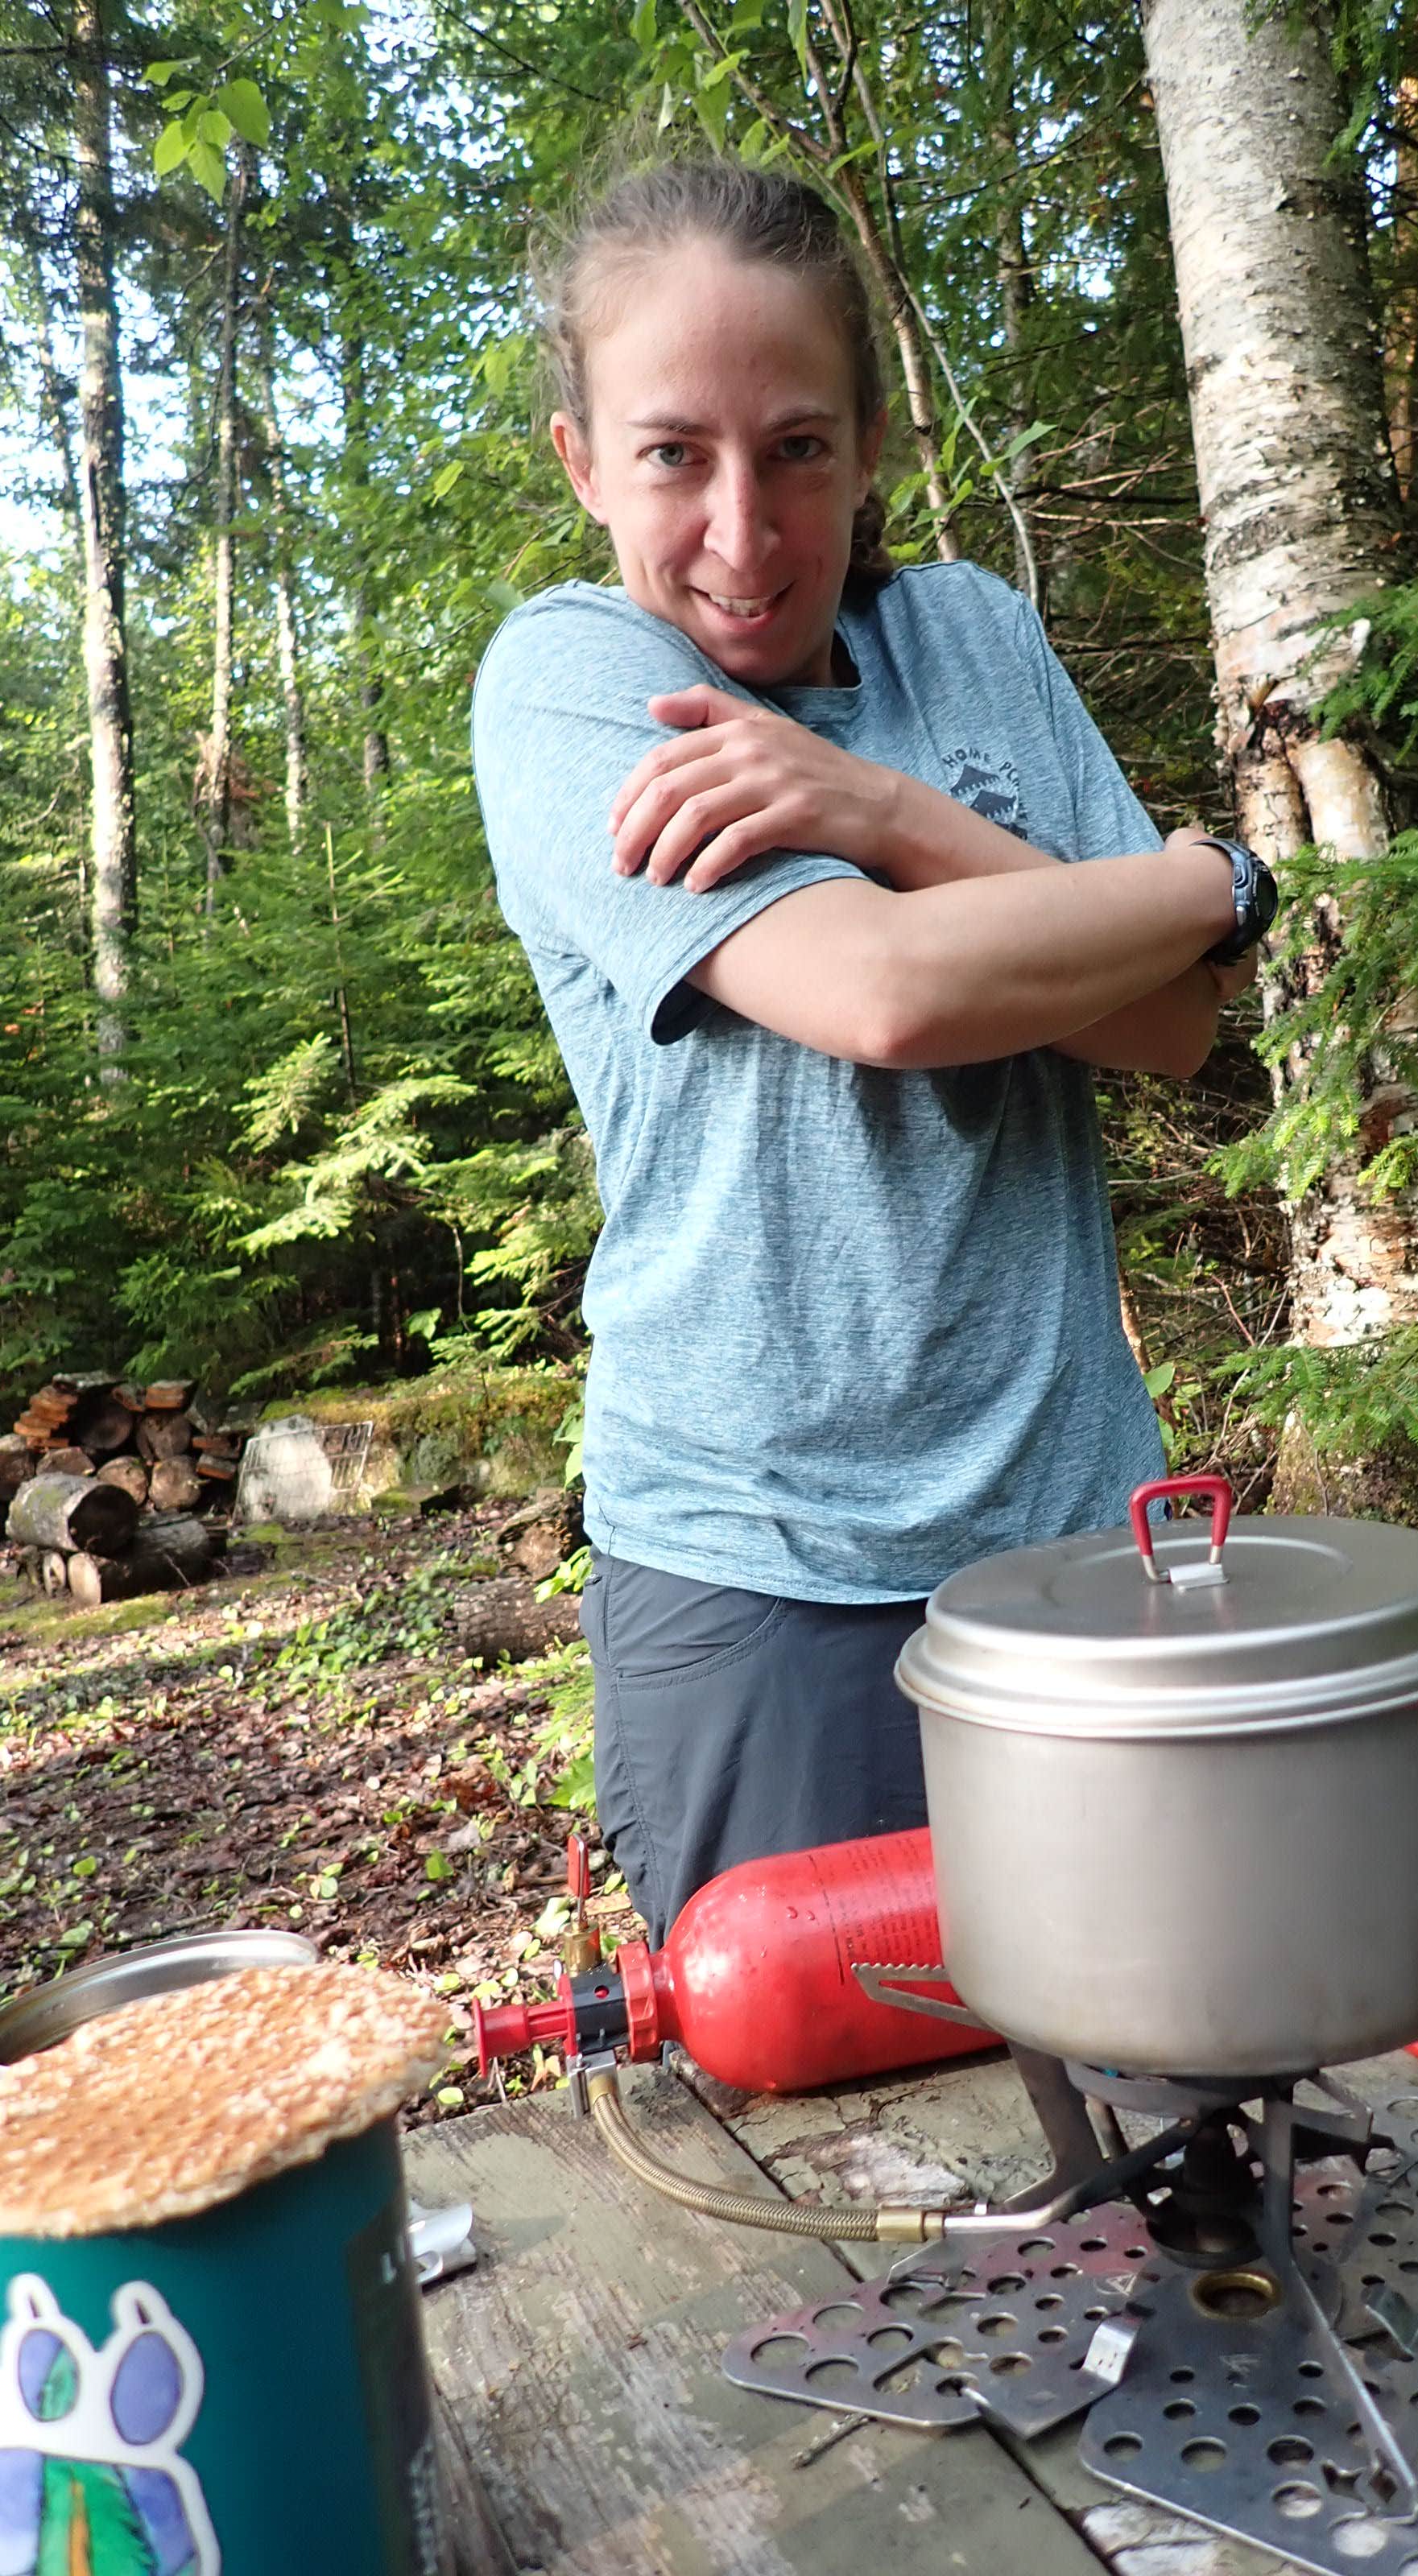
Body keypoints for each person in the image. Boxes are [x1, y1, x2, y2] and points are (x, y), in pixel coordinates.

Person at [470, 156, 1275, 1939]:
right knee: (809, 2156)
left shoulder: (976, 641)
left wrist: (882, 803)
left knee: (1151, 2077)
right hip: (760, 1575)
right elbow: (888, 997)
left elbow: (1165, 1021)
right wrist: (1196, 877)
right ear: (584, 460)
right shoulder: (574, 686)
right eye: (676, 451)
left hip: (1078, 1539)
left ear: (875, 442)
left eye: (800, 447)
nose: (745, 530)